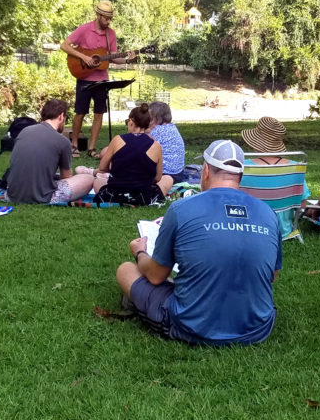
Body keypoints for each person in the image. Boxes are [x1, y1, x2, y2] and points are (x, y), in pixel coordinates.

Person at [116, 139, 282, 346]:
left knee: (126, 270)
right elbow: (272, 276)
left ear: (205, 172)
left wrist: (140, 252)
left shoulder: (181, 209)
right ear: (240, 176)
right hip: (257, 328)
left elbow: (156, 276)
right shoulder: (268, 213)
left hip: (191, 326)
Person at [60, 0, 135, 159]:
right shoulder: (84, 29)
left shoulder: (111, 34)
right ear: (98, 15)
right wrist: (84, 57)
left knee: (99, 113)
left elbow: (114, 57)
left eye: (110, 19)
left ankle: (91, 148)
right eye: (105, 18)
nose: (108, 22)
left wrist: (128, 60)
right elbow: (64, 45)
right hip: (84, 78)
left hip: (102, 80)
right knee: (80, 112)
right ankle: (74, 146)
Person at [5, 99, 95, 205]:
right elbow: (66, 177)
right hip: (42, 198)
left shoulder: (25, 131)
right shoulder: (62, 141)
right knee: (88, 179)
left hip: (11, 195)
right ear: (61, 116)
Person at [88, 103, 174, 205]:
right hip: (144, 197)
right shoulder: (156, 146)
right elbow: (157, 178)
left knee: (98, 181)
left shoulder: (117, 140)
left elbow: (102, 167)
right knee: (168, 178)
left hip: (115, 194)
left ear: (131, 121)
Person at [148, 100, 186, 182]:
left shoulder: (157, 131)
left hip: (165, 173)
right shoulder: (172, 127)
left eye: (149, 119)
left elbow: (143, 146)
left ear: (157, 119)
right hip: (178, 172)